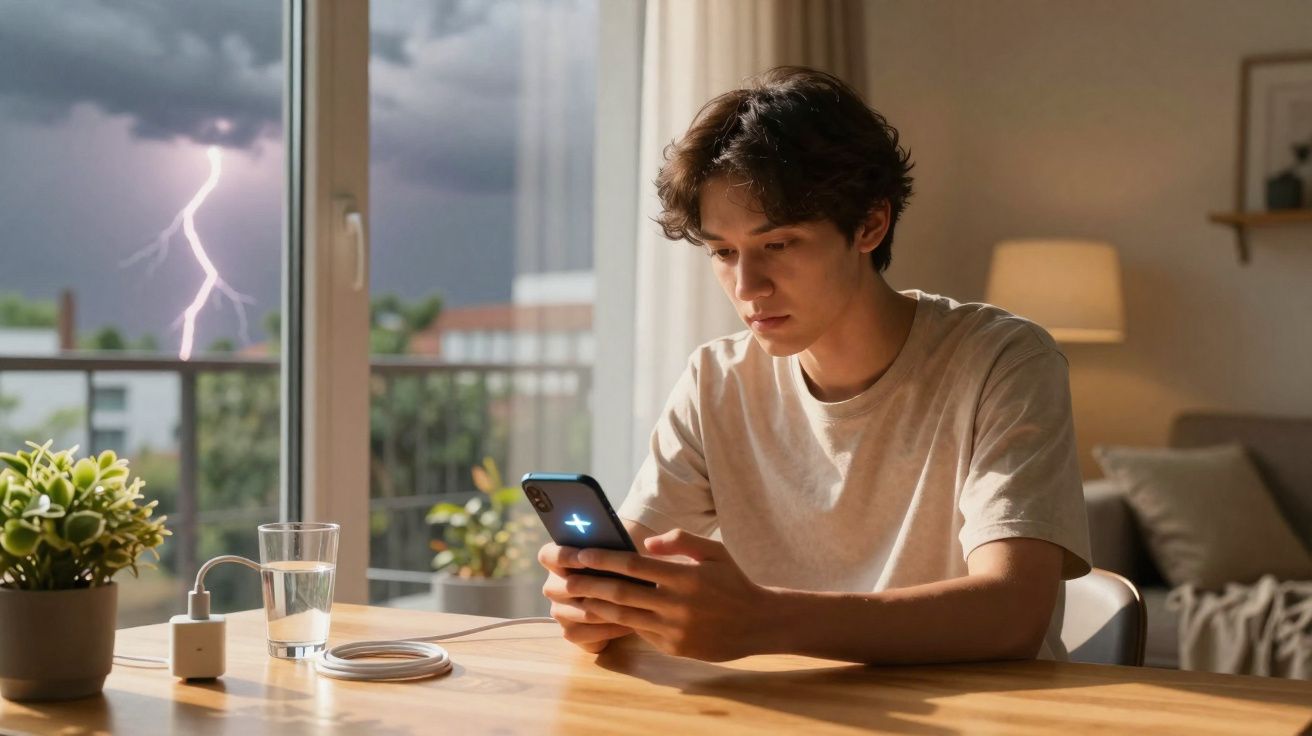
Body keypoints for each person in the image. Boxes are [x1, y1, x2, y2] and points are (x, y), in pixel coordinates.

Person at [539, 66, 1091, 664]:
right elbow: (633, 564)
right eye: (723, 252)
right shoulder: (716, 381)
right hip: (788, 704)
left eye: (778, 244)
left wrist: (764, 621)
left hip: (983, 705)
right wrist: (596, 600)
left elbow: (1012, 612)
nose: (747, 287)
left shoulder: (1005, 361)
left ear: (870, 224)